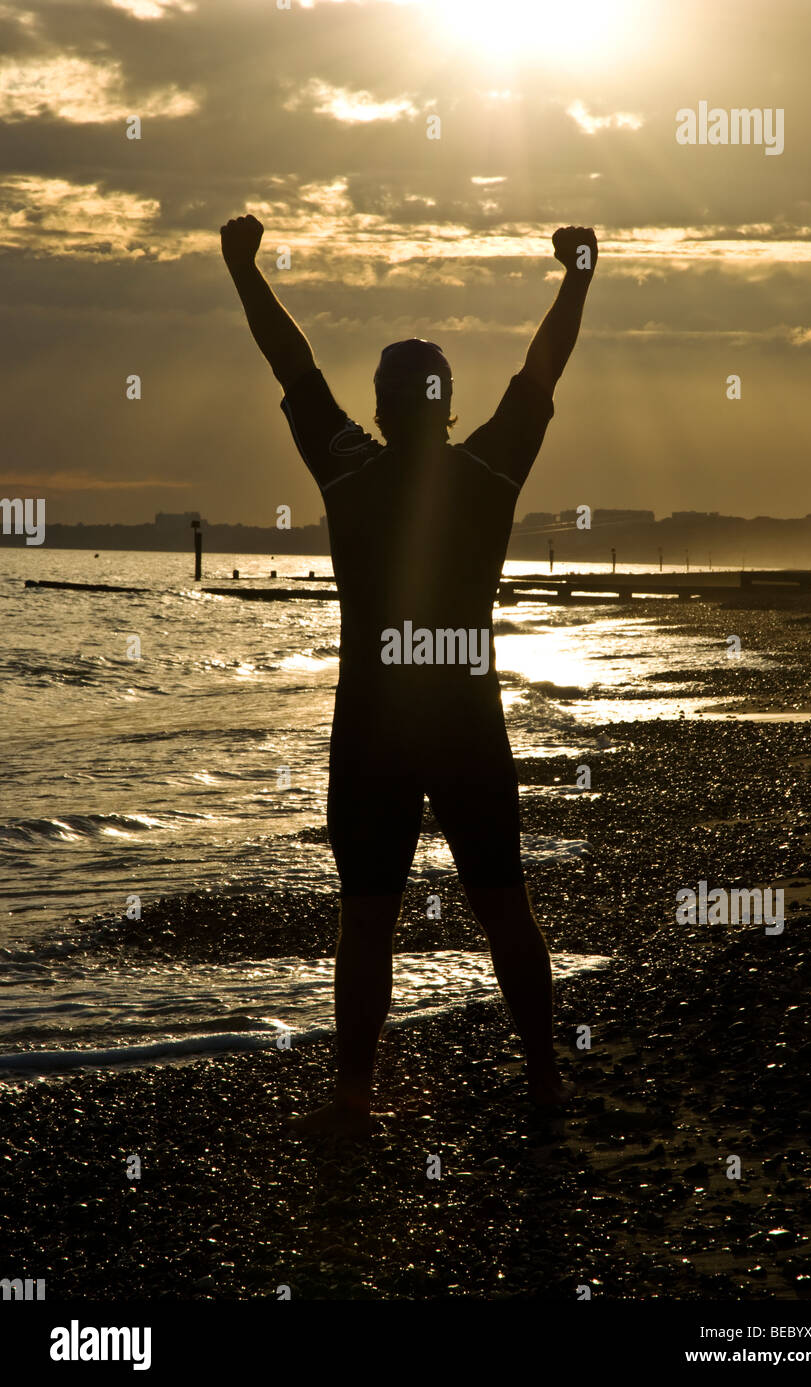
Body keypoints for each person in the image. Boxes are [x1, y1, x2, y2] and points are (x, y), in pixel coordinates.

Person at [221, 215, 598, 1136]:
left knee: (369, 914)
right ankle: (544, 1084)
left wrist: (245, 268)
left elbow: (291, 367)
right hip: (468, 721)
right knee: (503, 901)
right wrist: (579, 276)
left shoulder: (351, 470)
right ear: (449, 406)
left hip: (375, 730)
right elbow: (541, 374)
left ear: (384, 409)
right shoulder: (490, 471)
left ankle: (354, 1097)